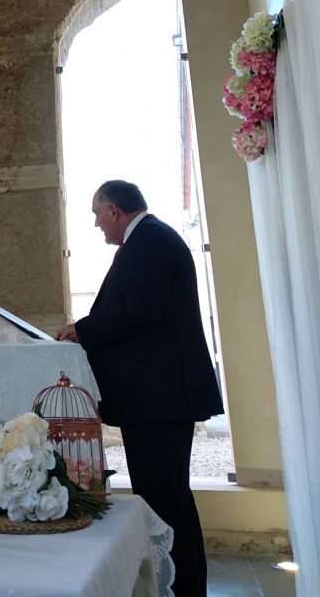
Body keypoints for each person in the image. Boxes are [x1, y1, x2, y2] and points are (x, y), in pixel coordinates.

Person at [56, 180, 223, 597]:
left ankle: (184, 588)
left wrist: (82, 330)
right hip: (154, 399)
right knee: (166, 498)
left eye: (97, 215)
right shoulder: (152, 238)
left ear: (114, 209)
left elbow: (139, 309)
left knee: (167, 502)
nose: (97, 225)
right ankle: (182, 585)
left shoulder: (149, 239)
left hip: (158, 400)